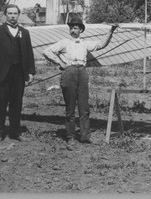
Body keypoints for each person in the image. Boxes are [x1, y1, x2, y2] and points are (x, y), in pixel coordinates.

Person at [43, 16, 117, 149]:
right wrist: (61, 63)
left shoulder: (84, 44)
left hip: (82, 72)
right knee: (70, 107)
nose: (73, 30)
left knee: (84, 107)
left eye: (75, 28)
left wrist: (111, 31)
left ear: (81, 30)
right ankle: (70, 136)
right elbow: (47, 51)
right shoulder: (64, 42)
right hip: (69, 72)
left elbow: (101, 44)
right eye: (71, 28)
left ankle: (85, 136)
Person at [0, 4, 36, 143]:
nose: (13, 16)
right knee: (1, 104)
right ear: (5, 15)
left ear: (18, 15)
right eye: (10, 13)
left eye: (15, 13)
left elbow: (29, 54)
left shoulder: (24, 32)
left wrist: (31, 72)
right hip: (3, 74)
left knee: (17, 104)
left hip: (19, 74)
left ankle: (15, 132)